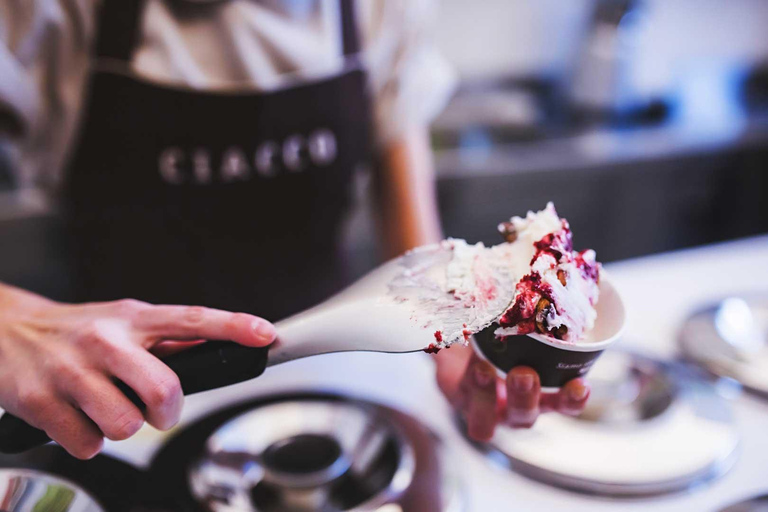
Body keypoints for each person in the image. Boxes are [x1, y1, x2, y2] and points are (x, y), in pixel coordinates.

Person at [0, 0, 589, 460]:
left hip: (331, 393)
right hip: (123, 410)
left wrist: (454, 342)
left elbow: (403, 182)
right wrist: (9, 321)